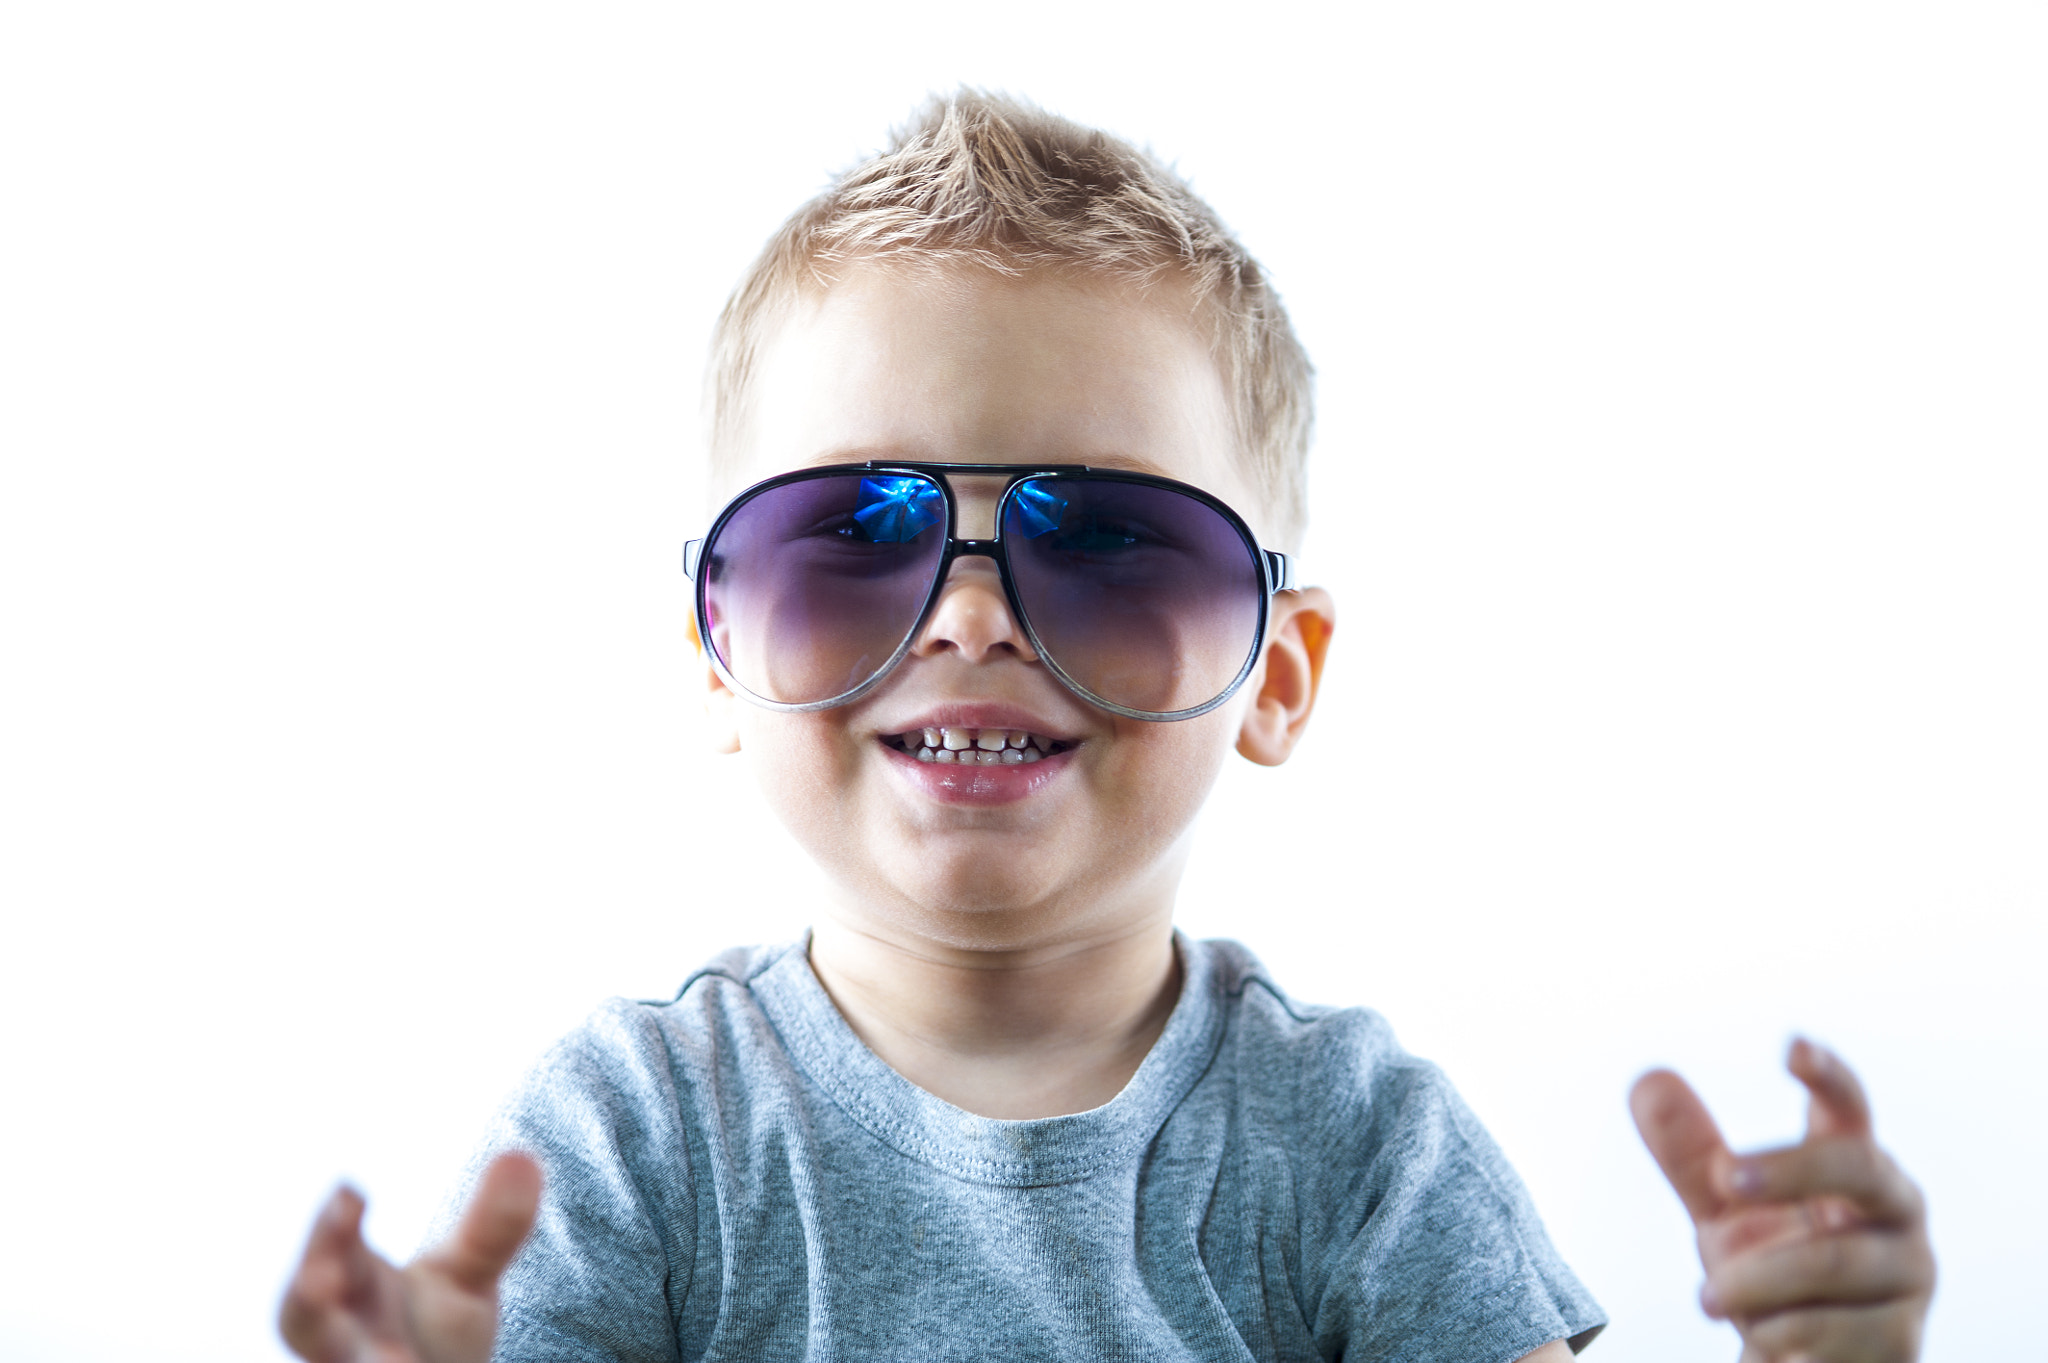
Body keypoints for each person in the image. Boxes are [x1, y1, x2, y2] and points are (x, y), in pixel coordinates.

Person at [277, 91, 1935, 1363]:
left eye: (1113, 535)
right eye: (853, 534)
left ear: (1278, 675)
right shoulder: (634, 1138)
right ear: (720, 652)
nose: (972, 614)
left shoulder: (1355, 1150)